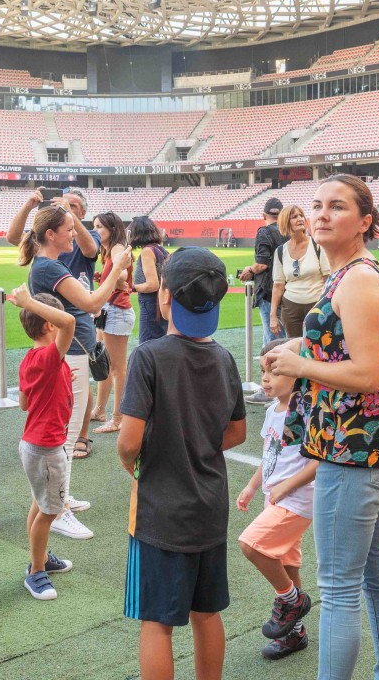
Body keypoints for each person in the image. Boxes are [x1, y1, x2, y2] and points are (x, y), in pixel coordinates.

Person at [265, 174, 379, 680]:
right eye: (318, 205)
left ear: (365, 221)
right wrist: (295, 350)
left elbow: (369, 374)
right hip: (357, 445)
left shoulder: (360, 279)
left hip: (354, 449)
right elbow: (342, 349)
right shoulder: (344, 273)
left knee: (340, 588)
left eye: (338, 207)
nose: (322, 214)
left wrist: (302, 367)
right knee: (374, 576)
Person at [117, 247, 248, 680]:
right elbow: (237, 432)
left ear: (165, 296)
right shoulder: (225, 358)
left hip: (162, 511)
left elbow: (128, 441)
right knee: (206, 613)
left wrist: (139, 466)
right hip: (210, 507)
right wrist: (199, 447)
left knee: (156, 622)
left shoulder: (149, 356)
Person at [21, 205, 132, 540]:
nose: (74, 232)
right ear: (50, 234)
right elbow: (92, 304)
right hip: (68, 354)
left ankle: (60, 498)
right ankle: (58, 511)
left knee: (69, 429)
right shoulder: (48, 267)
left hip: (72, 352)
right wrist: (118, 270)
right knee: (66, 434)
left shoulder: (48, 264)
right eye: (69, 228)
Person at [236, 338, 316, 661]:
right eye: (264, 372)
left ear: (297, 372)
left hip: (295, 501)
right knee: (287, 562)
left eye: (275, 371)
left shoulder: (303, 411)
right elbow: (269, 455)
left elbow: (318, 461)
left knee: (251, 544)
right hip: (276, 499)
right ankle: (294, 634)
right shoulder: (272, 411)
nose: (266, 379)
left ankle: (291, 599)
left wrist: (286, 487)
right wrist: (254, 486)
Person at [8, 186, 101, 460]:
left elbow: (91, 248)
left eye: (73, 206)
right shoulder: (49, 261)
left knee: (74, 398)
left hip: (71, 331)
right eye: (63, 205)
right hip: (66, 333)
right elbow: (90, 305)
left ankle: (55, 490)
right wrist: (28, 206)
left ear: (82, 213)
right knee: (65, 420)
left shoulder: (82, 235)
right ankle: (56, 496)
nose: (65, 207)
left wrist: (70, 219)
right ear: (51, 233)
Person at [8, 286, 77, 600]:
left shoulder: (31, 359)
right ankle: (36, 571)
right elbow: (70, 323)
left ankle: (41, 557)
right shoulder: (50, 356)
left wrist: (59, 380)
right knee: (50, 512)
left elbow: (24, 403)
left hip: (33, 444)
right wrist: (29, 301)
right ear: (48, 325)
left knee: (40, 504)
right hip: (47, 448)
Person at [241, 197, 288, 403]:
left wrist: (249, 270)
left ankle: (273, 390)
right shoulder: (289, 232)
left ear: (264, 215)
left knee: (272, 341)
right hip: (289, 290)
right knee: (286, 339)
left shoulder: (264, 231)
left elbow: (261, 263)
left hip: (269, 290)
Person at [92, 212, 134, 434]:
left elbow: (123, 279)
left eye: (100, 226)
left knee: (117, 369)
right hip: (110, 311)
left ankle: (118, 418)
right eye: (95, 226)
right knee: (104, 365)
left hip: (117, 311)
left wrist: (114, 277)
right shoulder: (110, 251)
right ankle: (100, 410)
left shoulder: (117, 248)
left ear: (111, 228)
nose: (96, 230)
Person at [270, 204, 329, 339]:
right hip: (290, 308)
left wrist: (326, 305)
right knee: (294, 347)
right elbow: (278, 286)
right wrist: (273, 315)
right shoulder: (280, 251)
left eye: (301, 215)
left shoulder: (317, 245)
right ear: (285, 222)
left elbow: (327, 279)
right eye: (294, 217)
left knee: (317, 347)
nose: (300, 219)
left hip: (317, 305)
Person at [130, 216, 169, 344]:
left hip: (151, 304)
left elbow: (153, 285)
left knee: (147, 344)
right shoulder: (161, 249)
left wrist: (132, 287)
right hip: (161, 303)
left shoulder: (147, 251)